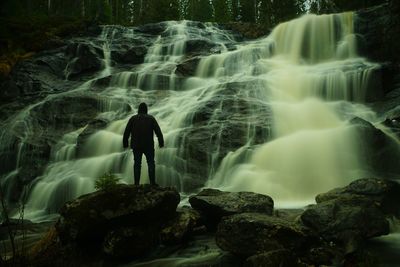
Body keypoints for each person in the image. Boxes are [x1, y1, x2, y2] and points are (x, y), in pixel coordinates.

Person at [123, 102, 164, 185]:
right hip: (148, 145)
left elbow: (126, 132)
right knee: (151, 163)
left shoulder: (133, 119)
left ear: (138, 110)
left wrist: (125, 143)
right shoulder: (151, 118)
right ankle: (152, 183)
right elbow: (158, 131)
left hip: (136, 145)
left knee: (137, 164)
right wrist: (161, 142)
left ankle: (136, 184)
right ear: (146, 110)